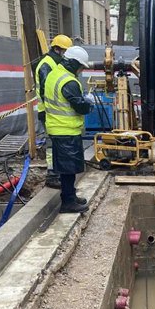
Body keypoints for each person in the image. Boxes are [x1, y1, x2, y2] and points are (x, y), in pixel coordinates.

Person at [44, 46, 96, 214]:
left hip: (57, 127)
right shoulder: (69, 81)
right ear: (73, 63)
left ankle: (71, 196)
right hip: (66, 129)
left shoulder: (54, 74)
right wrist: (88, 103)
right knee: (68, 169)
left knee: (67, 168)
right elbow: (79, 107)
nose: (81, 70)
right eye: (81, 66)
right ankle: (68, 202)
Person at [35, 34, 73, 189]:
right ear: (57, 49)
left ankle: (57, 173)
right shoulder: (47, 65)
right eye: (65, 51)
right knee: (52, 145)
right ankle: (52, 176)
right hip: (48, 112)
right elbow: (47, 91)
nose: (66, 55)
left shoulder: (52, 63)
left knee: (56, 144)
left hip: (50, 111)